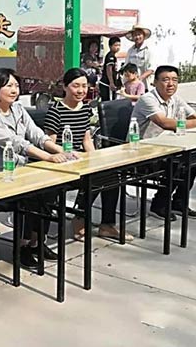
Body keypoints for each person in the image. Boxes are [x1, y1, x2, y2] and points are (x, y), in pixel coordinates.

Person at [0, 68, 70, 270]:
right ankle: (22, 246)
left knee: (51, 189)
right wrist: (48, 157)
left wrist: (60, 150)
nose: (14, 90)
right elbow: (15, 142)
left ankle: (37, 242)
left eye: (16, 85)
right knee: (31, 195)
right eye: (9, 85)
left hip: (18, 170)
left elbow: (36, 134)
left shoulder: (17, 108)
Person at [44, 68, 131, 241]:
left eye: (84, 86)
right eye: (76, 86)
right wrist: (69, 154)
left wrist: (96, 159)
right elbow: (49, 144)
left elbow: (86, 140)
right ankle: (79, 217)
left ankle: (107, 225)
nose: (81, 90)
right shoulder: (55, 111)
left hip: (81, 160)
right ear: (65, 87)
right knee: (93, 179)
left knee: (112, 177)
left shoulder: (84, 109)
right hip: (62, 163)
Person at [130, 65, 196, 221]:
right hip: (143, 152)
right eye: (165, 80)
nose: (171, 84)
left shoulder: (175, 99)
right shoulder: (148, 99)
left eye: (174, 80)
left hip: (167, 147)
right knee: (178, 162)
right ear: (155, 82)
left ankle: (179, 202)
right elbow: (164, 123)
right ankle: (159, 204)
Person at [125, 25, 155, 89]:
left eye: (139, 34)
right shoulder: (130, 51)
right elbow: (126, 66)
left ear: (143, 36)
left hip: (146, 85)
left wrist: (140, 78)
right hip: (132, 86)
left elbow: (151, 69)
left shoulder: (149, 50)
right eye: (135, 35)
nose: (137, 37)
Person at [100, 37, 122, 101]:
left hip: (109, 83)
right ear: (110, 46)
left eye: (119, 45)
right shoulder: (111, 56)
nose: (118, 47)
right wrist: (111, 83)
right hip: (107, 84)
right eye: (115, 45)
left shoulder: (113, 56)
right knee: (109, 102)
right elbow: (109, 69)